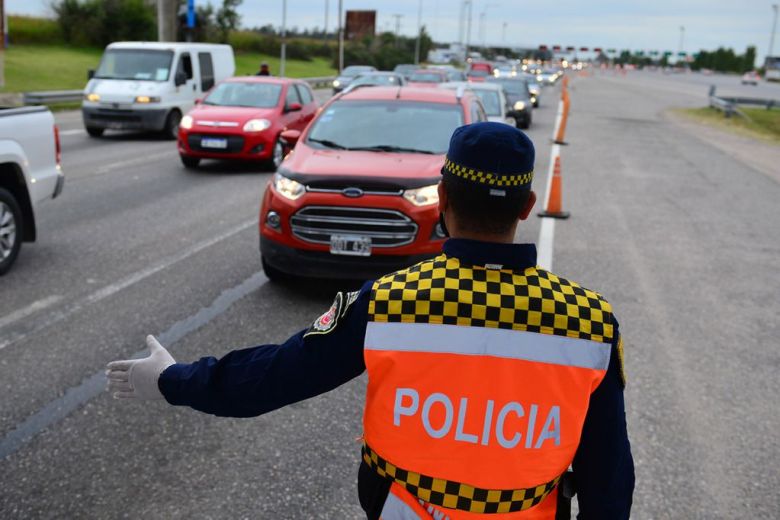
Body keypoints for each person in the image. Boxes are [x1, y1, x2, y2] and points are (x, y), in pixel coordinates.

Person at [106, 122, 634, 519]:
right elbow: (609, 475)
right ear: (527, 207)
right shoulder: (590, 322)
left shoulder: (387, 301)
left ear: (443, 198)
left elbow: (273, 378)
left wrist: (171, 381)